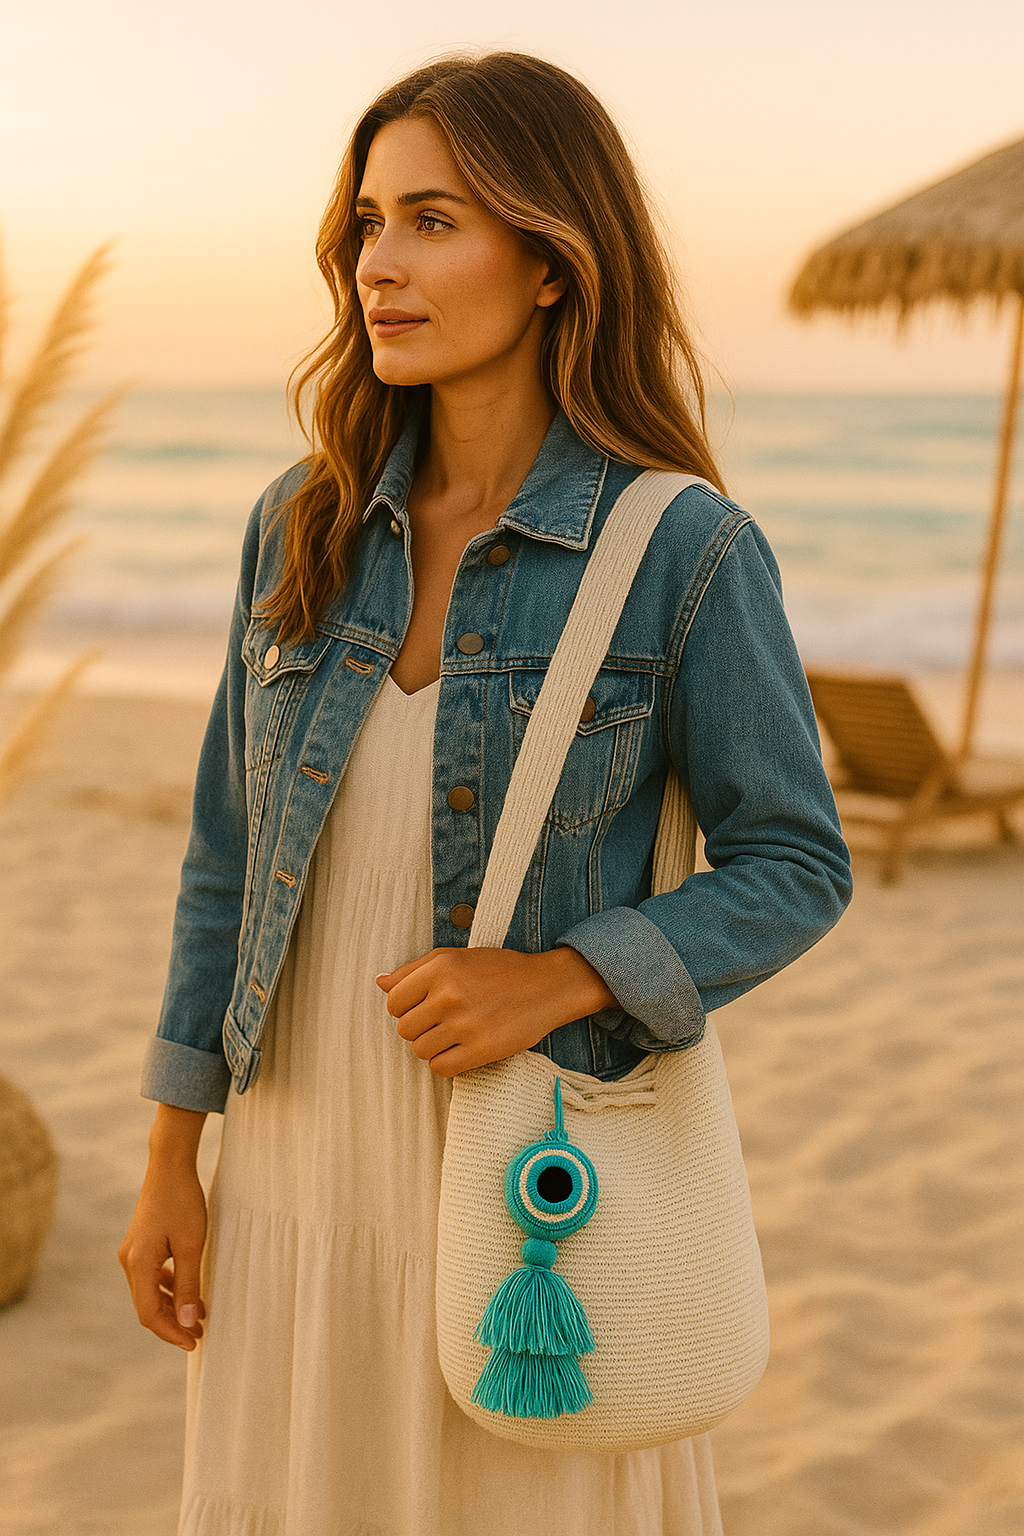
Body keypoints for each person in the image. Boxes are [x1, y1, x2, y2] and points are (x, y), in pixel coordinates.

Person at [118, 51, 852, 1536]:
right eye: (368, 223)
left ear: (552, 265)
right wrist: (171, 1158)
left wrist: (563, 978)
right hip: (291, 1182)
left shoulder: (683, 548)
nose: (379, 264)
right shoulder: (302, 524)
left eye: (433, 220)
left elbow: (795, 860)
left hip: (527, 1196)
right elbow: (225, 857)